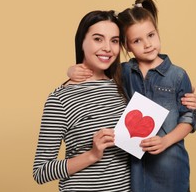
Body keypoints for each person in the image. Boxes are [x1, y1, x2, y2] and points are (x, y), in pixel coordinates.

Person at [68, 0, 196, 192]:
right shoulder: (123, 73)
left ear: (157, 32)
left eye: (151, 35)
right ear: (127, 46)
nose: (147, 45)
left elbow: (188, 120)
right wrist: (71, 69)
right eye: (137, 41)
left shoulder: (178, 75)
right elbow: (96, 75)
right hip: (135, 171)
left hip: (171, 168)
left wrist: (165, 141)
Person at [33, 10, 131, 191]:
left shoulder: (124, 86)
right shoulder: (60, 99)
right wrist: (92, 155)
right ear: (82, 42)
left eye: (114, 41)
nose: (108, 48)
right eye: (98, 39)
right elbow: (41, 171)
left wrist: (187, 102)